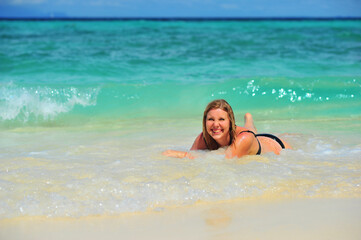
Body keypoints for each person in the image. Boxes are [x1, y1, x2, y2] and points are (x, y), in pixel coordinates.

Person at [162, 99, 291, 159]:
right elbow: (193, 159)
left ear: (231, 122)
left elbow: (223, 159)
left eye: (221, 119)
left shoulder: (245, 138)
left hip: (276, 144)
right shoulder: (204, 137)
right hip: (250, 139)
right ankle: (249, 119)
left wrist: (179, 153)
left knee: (250, 133)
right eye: (211, 119)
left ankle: (249, 120)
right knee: (251, 130)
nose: (215, 125)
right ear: (204, 122)